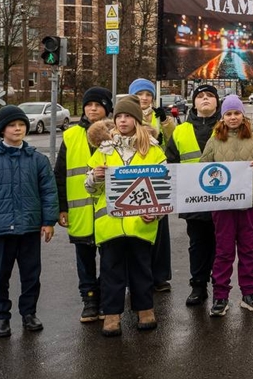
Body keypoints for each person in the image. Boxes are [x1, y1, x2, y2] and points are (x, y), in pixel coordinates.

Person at [0, 105, 58, 338]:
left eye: (21, 125)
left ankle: (29, 314)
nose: (17, 129)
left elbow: (49, 191)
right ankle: (1, 318)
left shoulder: (37, 160)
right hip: (1, 230)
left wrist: (49, 221)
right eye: (12, 125)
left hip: (29, 227)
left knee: (31, 275)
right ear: (2, 130)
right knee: (1, 276)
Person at [85, 95, 166, 337]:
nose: (122, 120)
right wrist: (95, 177)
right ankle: (111, 316)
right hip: (110, 224)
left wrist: (157, 214)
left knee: (142, 270)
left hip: (140, 224)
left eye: (127, 116)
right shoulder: (104, 150)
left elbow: (162, 189)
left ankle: (145, 310)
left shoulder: (153, 150)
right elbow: (90, 188)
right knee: (111, 271)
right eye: (118, 116)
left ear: (136, 120)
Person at [200, 95, 253, 316]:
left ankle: (249, 293)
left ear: (243, 115)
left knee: (247, 250)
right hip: (222, 205)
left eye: (236, 113)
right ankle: (220, 296)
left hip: (249, 202)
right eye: (229, 114)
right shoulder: (214, 140)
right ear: (223, 117)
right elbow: (202, 168)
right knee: (223, 252)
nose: (233, 117)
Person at [54, 86, 112, 323]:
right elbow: (59, 174)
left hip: (109, 210)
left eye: (98, 105)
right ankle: (89, 300)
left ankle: (106, 297)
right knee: (85, 259)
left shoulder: (116, 133)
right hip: (80, 211)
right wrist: (62, 208)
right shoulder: (70, 137)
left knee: (111, 258)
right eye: (89, 105)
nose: (92, 109)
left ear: (106, 109)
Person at [166, 84, 220, 307]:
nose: (205, 99)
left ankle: (220, 286)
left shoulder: (227, 127)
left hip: (222, 200)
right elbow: (171, 163)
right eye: (200, 96)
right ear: (193, 103)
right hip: (194, 201)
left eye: (210, 96)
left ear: (217, 102)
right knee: (197, 244)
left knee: (221, 246)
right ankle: (198, 286)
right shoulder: (181, 131)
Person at [128, 78, 175, 293]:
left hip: (157, 176)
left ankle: (159, 276)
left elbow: (174, 139)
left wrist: (166, 122)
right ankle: (135, 277)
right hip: (133, 176)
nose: (145, 98)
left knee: (159, 229)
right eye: (140, 95)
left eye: (148, 95)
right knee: (134, 229)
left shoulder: (159, 116)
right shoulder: (126, 115)